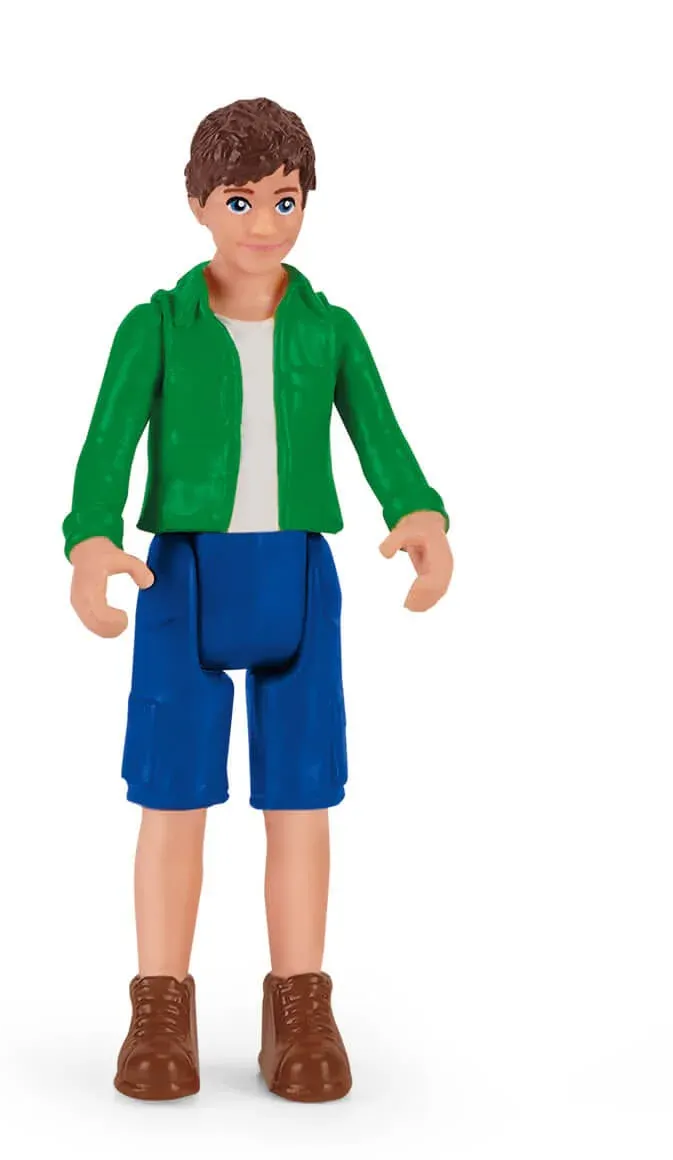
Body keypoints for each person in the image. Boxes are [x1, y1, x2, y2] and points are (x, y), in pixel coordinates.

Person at [62, 97, 453, 1102]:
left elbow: (381, 436)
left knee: (301, 799)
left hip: (299, 581)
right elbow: (107, 446)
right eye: (241, 200)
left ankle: (299, 1003)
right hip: (181, 580)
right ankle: (160, 1004)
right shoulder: (156, 327)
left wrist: (417, 512)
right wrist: (92, 538)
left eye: (286, 200)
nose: (266, 222)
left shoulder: (329, 331)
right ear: (199, 203)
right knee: (171, 799)